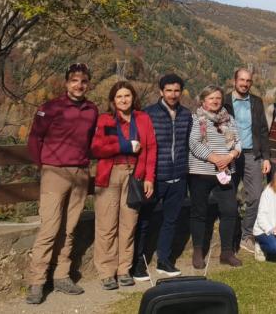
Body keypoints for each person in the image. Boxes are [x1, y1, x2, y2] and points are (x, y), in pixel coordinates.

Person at [25, 63, 99, 304]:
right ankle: (37, 281)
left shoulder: (91, 110)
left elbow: (90, 140)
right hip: (54, 172)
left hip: (79, 173)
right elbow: (35, 139)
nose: (79, 85)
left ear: (88, 84)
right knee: (49, 227)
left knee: (69, 228)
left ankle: (61, 276)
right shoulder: (51, 108)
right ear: (67, 83)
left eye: (84, 81)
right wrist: (45, 166)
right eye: (75, 81)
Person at [90, 81, 157, 290]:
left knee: (129, 225)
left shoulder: (142, 119)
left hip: (134, 176)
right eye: (119, 96)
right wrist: (124, 145)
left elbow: (151, 148)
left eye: (127, 95)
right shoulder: (106, 119)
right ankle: (106, 272)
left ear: (133, 97)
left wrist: (149, 177)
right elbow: (97, 148)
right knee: (106, 226)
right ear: (113, 100)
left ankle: (124, 269)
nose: (123, 100)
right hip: (109, 175)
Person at [133, 74, 192, 280]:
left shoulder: (186, 115)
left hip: (178, 177)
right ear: (161, 92)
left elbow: (188, 143)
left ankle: (164, 260)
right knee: (144, 220)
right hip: (155, 177)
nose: (173, 95)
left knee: (171, 220)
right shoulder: (148, 114)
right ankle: (138, 262)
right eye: (169, 90)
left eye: (177, 90)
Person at [190, 85, 243, 268]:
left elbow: (238, 142)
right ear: (203, 101)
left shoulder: (229, 120)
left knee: (229, 210)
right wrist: (214, 158)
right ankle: (198, 252)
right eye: (211, 98)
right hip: (201, 172)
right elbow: (194, 143)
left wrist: (229, 157)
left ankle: (227, 252)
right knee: (199, 212)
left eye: (218, 98)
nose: (215, 101)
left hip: (225, 171)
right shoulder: (196, 119)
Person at [223, 68, 270, 255]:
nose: (244, 83)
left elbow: (264, 131)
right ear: (234, 81)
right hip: (230, 155)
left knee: (256, 196)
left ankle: (246, 234)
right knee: (229, 198)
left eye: (248, 80)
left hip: (252, 154)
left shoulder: (257, 102)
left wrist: (266, 157)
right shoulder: (224, 101)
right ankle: (231, 237)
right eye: (241, 80)